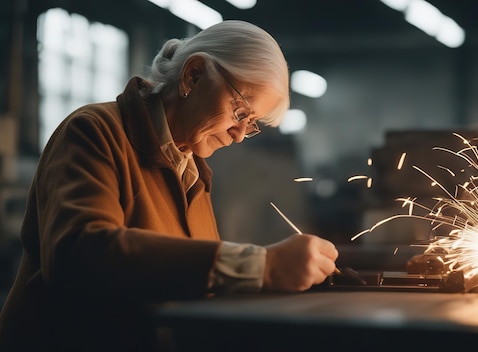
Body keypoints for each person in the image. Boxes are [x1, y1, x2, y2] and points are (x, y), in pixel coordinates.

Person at [0, 20, 339, 351]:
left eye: (251, 125)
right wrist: (259, 266)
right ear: (193, 75)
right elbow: (79, 253)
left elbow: (184, 277)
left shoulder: (192, 174)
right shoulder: (93, 131)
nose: (238, 136)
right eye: (240, 112)